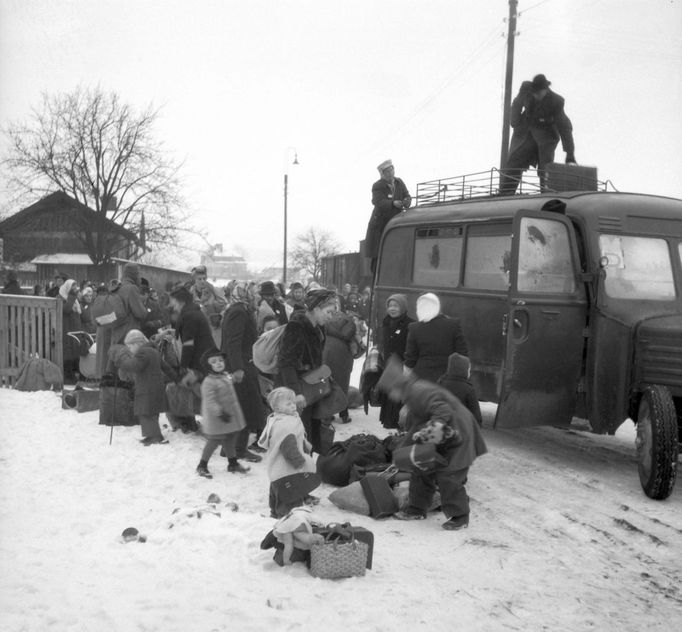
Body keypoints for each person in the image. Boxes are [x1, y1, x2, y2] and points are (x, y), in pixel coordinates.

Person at [377, 355, 487, 530]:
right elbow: (420, 422)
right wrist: (406, 447)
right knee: (422, 468)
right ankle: (416, 508)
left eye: (390, 391)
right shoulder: (412, 393)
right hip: (444, 435)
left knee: (449, 475)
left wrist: (429, 432)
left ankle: (460, 516)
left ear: (397, 386)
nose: (390, 396)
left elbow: (442, 411)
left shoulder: (418, 391)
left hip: (459, 433)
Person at [276, 288, 337, 454]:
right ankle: (296, 473)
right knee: (297, 434)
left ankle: (306, 469)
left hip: (310, 386)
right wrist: (296, 393)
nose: (330, 316)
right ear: (316, 309)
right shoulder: (297, 326)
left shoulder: (318, 327)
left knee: (309, 433)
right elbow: (286, 363)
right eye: (328, 312)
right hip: (296, 388)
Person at [500, 74, 576, 195]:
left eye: (539, 93)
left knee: (545, 169)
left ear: (546, 90)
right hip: (525, 133)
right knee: (514, 163)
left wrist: (570, 153)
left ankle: (545, 195)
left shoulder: (556, 102)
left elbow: (565, 127)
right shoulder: (526, 88)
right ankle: (505, 194)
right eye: (534, 93)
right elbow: (516, 104)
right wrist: (515, 122)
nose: (536, 96)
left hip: (546, 137)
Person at [221, 281, 267, 463]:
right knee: (245, 406)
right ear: (245, 293)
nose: (257, 296)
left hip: (242, 363)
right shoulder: (239, 312)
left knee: (241, 405)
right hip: (240, 366)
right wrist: (238, 368)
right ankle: (238, 449)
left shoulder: (239, 309)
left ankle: (230, 448)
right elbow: (233, 342)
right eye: (254, 293)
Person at [257, 387, 318, 518]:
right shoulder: (286, 425)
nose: (293, 406)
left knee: (277, 490)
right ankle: (288, 520)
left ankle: (274, 514)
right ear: (277, 408)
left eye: (293, 402)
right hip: (288, 470)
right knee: (291, 497)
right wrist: (300, 462)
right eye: (288, 404)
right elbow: (288, 446)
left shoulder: (277, 419)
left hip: (276, 470)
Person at [167, 285, 216, 433]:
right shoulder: (193, 312)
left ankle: (209, 425)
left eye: (173, 302)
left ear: (181, 302)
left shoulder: (189, 316)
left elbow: (189, 343)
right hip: (205, 360)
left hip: (200, 363)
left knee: (187, 390)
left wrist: (184, 366)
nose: (172, 305)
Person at [195, 349, 249, 478]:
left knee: (230, 439)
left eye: (220, 360)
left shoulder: (225, 376)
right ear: (208, 366)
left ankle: (232, 463)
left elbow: (230, 381)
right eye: (214, 362)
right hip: (217, 418)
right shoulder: (208, 382)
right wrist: (220, 413)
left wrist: (237, 376)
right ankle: (202, 465)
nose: (218, 363)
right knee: (214, 441)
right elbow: (210, 401)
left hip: (229, 416)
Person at [108, 329, 168, 445]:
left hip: (147, 387)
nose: (130, 350)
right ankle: (151, 435)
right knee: (150, 412)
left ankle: (155, 437)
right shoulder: (153, 351)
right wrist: (176, 377)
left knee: (146, 412)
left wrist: (120, 359)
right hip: (154, 386)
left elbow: (133, 366)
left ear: (137, 344)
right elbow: (165, 366)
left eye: (130, 347)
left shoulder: (143, 353)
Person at [404, 292, 468, 384]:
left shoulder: (414, 328)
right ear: (437, 306)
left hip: (422, 379)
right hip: (448, 378)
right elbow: (462, 353)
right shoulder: (453, 324)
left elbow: (410, 357)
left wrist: (406, 378)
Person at [365, 159, 412, 274]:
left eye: (392, 170)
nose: (391, 173)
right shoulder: (377, 186)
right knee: (379, 252)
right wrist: (392, 203)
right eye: (387, 171)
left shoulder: (399, 182)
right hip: (381, 222)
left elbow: (407, 195)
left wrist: (406, 201)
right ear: (382, 174)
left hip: (397, 219)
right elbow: (378, 202)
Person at [378, 293, 414, 428]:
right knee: (389, 395)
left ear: (403, 307)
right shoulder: (386, 322)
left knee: (399, 396)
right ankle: (389, 421)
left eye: (396, 306)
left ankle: (399, 423)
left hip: (402, 365)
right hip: (389, 365)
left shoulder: (410, 324)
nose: (392, 309)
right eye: (390, 306)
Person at [322, 299, 357, 423]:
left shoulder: (324, 319)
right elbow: (354, 342)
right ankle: (344, 414)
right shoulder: (349, 320)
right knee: (343, 383)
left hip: (326, 351)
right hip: (343, 354)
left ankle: (327, 414)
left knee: (327, 382)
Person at [437, 353, 482, 427]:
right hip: (461, 429)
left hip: (442, 426)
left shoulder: (441, 383)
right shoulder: (468, 389)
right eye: (469, 370)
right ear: (463, 370)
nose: (469, 373)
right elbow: (476, 416)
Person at [59, 279, 82, 382]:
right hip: (66, 328)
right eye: (72, 286)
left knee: (74, 351)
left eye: (75, 285)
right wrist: (72, 296)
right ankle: (67, 376)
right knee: (67, 352)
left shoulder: (73, 299)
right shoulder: (61, 298)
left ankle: (73, 375)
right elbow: (66, 309)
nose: (74, 288)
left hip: (74, 328)